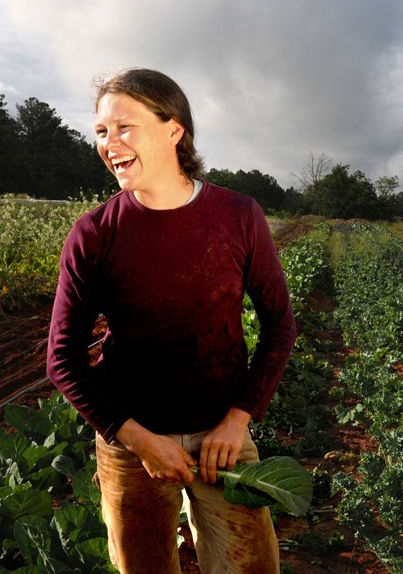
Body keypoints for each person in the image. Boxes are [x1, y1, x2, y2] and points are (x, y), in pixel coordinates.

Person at [46, 68, 296, 573]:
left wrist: (237, 420)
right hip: (132, 444)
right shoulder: (94, 233)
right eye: (100, 132)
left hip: (221, 440)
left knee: (251, 566)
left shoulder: (239, 216)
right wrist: (137, 439)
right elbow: (62, 359)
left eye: (124, 128)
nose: (108, 143)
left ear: (173, 129)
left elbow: (279, 326)